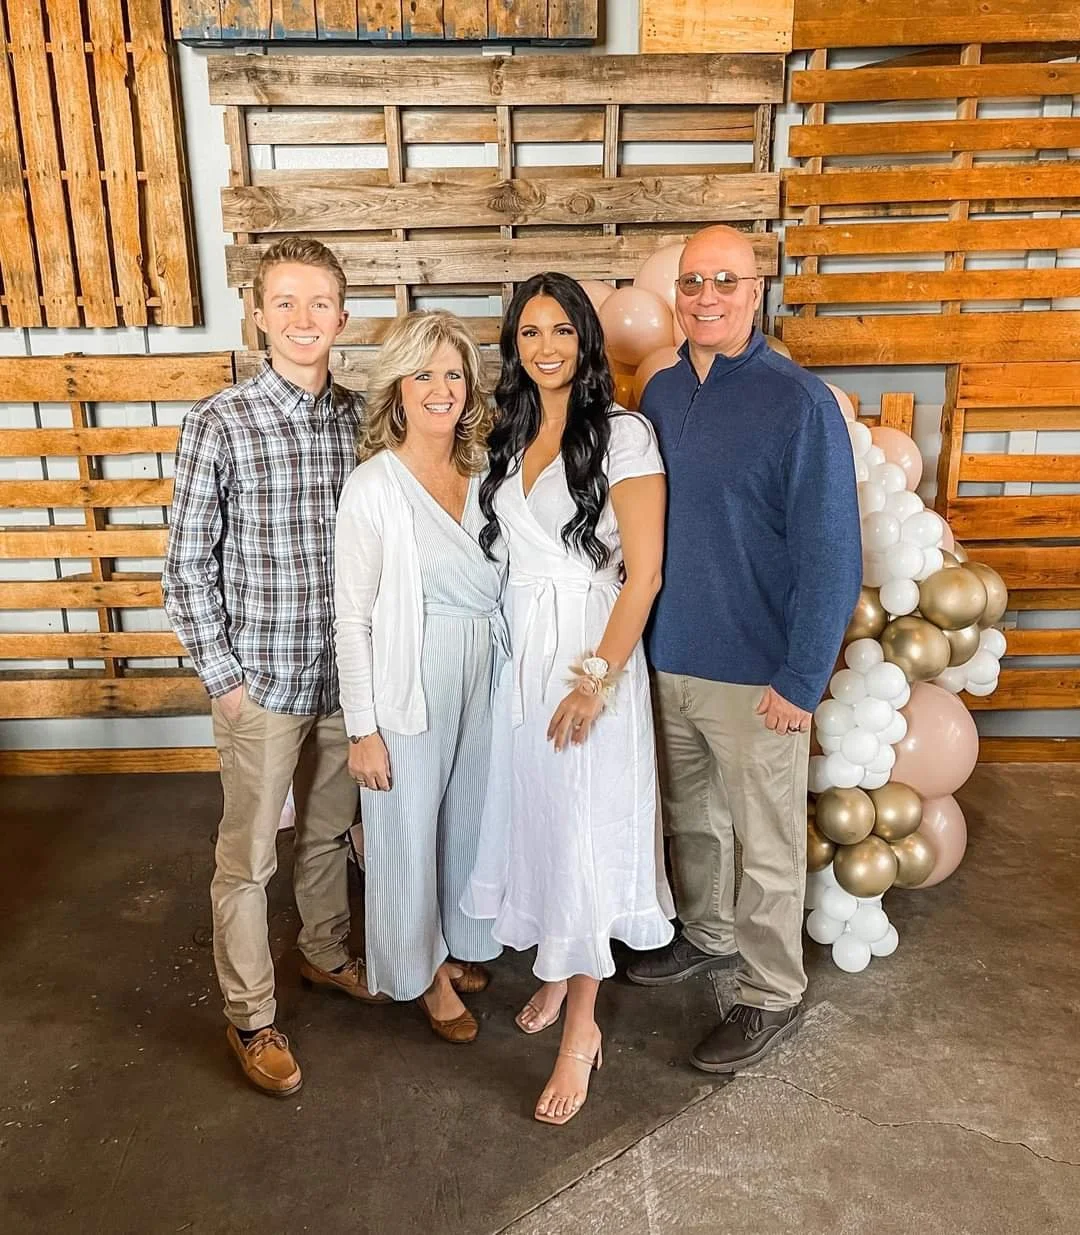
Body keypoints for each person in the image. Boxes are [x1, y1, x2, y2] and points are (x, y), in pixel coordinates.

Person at [629, 225, 862, 1073]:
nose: (707, 297)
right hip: (670, 657)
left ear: (755, 292)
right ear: (676, 294)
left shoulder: (798, 402)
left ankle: (771, 989)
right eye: (693, 282)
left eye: (725, 281)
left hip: (760, 672)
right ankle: (707, 932)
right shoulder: (660, 393)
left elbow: (833, 552)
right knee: (693, 818)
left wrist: (802, 677)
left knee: (766, 841)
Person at [163, 236, 380, 1099]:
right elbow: (186, 566)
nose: (302, 318)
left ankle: (324, 950)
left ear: (343, 317)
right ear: (257, 314)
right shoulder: (219, 422)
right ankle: (252, 1015)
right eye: (284, 302)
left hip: (344, 679)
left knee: (328, 832)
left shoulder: (363, 421)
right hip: (261, 680)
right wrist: (224, 678)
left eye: (319, 302)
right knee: (248, 858)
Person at [465, 273, 674, 1126]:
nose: (545, 347)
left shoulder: (623, 434)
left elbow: (644, 574)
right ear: (514, 346)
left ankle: (583, 1025)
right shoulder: (512, 432)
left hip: (590, 652)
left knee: (584, 828)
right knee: (540, 818)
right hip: (523, 654)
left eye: (560, 330)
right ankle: (556, 967)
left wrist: (595, 680)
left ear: (586, 340)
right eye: (529, 332)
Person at [334, 310, 504, 1045]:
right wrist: (363, 730)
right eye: (424, 373)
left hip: (486, 666)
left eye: (454, 374)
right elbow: (352, 619)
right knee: (406, 827)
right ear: (397, 389)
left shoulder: (488, 473)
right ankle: (422, 971)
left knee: (469, 817)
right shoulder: (373, 485)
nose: (441, 388)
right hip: (413, 671)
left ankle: (456, 941)